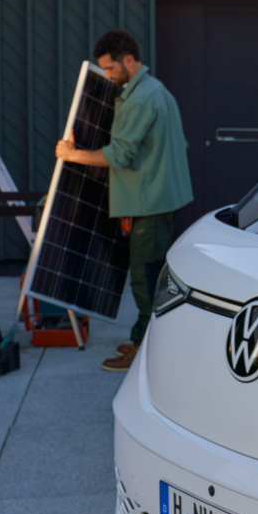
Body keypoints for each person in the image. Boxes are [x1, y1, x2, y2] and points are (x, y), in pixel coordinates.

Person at [55, 29, 193, 372]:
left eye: (112, 69)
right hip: (160, 198)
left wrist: (72, 154)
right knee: (151, 276)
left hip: (150, 204)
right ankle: (144, 340)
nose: (109, 76)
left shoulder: (140, 99)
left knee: (145, 281)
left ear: (128, 61)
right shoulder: (155, 90)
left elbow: (119, 155)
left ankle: (145, 352)